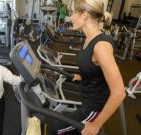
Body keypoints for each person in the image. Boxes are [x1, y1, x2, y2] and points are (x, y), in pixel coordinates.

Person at [49, 0, 126, 135]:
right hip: (87, 100)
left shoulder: (101, 46)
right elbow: (95, 69)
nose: (70, 17)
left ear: (84, 15)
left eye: (72, 13)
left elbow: (119, 92)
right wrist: (82, 76)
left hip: (93, 109)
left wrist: (96, 124)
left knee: (55, 129)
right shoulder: (88, 39)